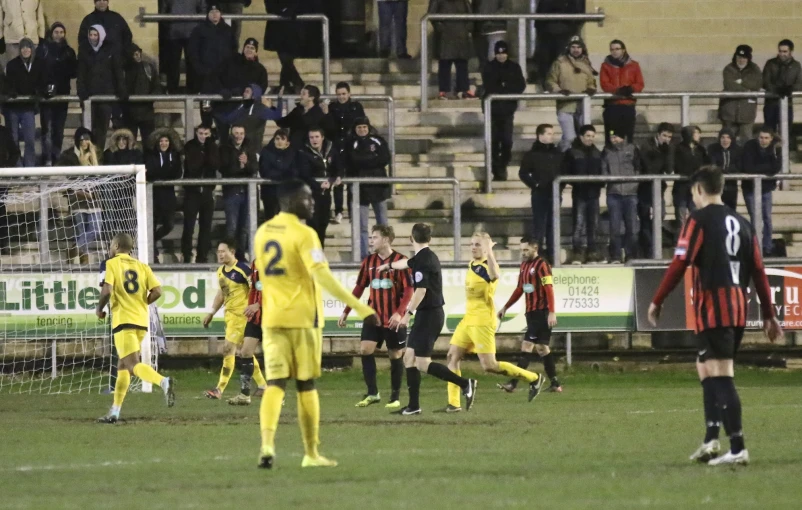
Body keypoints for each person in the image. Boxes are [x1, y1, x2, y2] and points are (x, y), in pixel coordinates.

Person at [648, 165, 782, 466]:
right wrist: (769, 315)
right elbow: (759, 271)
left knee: (721, 373)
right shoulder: (743, 223)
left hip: (713, 308)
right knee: (705, 367)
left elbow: (680, 262)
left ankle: (737, 447)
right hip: (736, 308)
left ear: (698, 190)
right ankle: (711, 440)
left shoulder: (698, 219)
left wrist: (657, 300)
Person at [254, 179, 379, 469]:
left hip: (272, 319)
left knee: (274, 384)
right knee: (305, 384)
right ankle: (311, 453)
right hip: (302, 319)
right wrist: (361, 307)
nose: (312, 202)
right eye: (306, 198)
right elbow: (322, 277)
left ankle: (267, 445)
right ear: (289, 201)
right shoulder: (304, 233)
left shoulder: (262, 232)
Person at [376, 223, 478, 416]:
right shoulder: (424, 257)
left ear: (410, 239)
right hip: (428, 314)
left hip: (429, 315)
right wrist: (388, 266)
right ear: (429, 239)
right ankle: (413, 406)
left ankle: (465, 383)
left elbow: (421, 291)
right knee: (409, 358)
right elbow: (405, 263)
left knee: (422, 363)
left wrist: (407, 314)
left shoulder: (423, 261)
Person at [446, 233, 544, 412]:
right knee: (452, 356)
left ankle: (533, 378)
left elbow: (495, 274)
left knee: (489, 365)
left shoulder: (487, 266)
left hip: (483, 321)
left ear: (485, 248)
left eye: (477, 245)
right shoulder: (472, 264)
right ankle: (454, 404)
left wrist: (490, 251)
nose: (473, 247)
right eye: (472, 244)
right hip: (468, 319)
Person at [96, 233, 176, 423]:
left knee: (131, 365)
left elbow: (107, 290)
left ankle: (163, 381)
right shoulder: (142, 266)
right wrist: (142, 303)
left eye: (110, 245)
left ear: (115, 246)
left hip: (123, 321)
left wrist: (99, 309)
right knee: (123, 366)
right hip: (141, 320)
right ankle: (115, 411)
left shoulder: (112, 264)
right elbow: (157, 291)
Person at [339, 225, 413, 409]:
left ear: (386, 239)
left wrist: (399, 312)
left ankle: (395, 396)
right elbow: (358, 288)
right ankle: (373, 393)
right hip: (373, 316)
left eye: (375, 237)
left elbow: (409, 290)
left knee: (395, 354)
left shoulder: (401, 261)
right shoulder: (369, 261)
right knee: (365, 350)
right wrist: (346, 310)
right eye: (371, 237)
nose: (371, 241)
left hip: (393, 318)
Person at [203, 239, 268, 399]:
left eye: (223, 251)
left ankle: (219, 389)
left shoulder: (243, 270)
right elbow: (221, 294)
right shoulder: (221, 271)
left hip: (243, 316)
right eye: (218, 252)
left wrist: (257, 305)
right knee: (246, 353)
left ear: (232, 252)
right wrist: (211, 312)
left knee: (228, 349)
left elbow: (257, 286)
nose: (220, 254)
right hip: (230, 317)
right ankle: (263, 385)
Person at [497, 236, 562, 393]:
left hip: (542, 312)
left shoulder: (542, 265)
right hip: (531, 312)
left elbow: (549, 289)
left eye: (526, 250)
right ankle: (555, 383)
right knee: (542, 348)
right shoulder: (524, 265)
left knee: (527, 345)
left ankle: (513, 383)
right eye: (521, 250)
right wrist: (506, 306)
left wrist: (552, 312)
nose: (523, 253)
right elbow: (521, 288)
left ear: (535, 248)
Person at [341, 117, 391, 259]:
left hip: (378, 188)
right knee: (362, 225)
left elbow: (384, 158)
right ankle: (364, 254)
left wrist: (365, 160)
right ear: (355, 129)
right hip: (360, 191)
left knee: (382, 223)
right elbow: (352, 161)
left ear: (368, 127)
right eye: (359, 128)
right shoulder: (351, 143)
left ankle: (384, 252)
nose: (362, 130)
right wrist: (371, 159)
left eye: (364, 127)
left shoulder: (378, 141)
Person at [77, 25, 127, 152]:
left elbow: (117, 71)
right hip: (90, 96)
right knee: (88, 130)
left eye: (95, 35)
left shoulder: (110, 49)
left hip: (106, 96)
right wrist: (81, 90)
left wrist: (121, 88)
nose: (93, 38)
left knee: (102, 130)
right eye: (91, 35)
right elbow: (81, 72)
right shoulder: (84, 50)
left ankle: (98, 157)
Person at [56, 127, 103, 264]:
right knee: (81, 230)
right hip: (77, 197)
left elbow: (102, 176)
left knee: (95, 229)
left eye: (87, 139)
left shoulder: (97, 154)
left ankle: (74, 250)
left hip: (94, 197)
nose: (84, 142)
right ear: (77, 141)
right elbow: (60, 177)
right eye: (81, 139)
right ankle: (82, 260)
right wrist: (73, 191)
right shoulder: (68, 156)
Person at [227, 259, 270, 405]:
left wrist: (258, 304)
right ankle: (244, 395)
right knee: (245, 352)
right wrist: (252, 305)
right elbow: (255, 287)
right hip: (256, 317)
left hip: (273, 316)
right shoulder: (257, 262)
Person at [482, 40, 526, 182]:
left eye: (503, 53)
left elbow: (520, 85)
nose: (501, 56)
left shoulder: (514, 67)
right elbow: (490, 85)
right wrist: (505, 86)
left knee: (506, 140)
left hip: (507, 110)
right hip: (493, 110)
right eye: (499, 53)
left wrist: (505, 87)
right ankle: (497, 169)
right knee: (494, 141)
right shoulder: (489, 67)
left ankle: (503, 163)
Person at [519, 124, 563, 263]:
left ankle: (552, 254)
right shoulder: (532, 154)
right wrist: (536, 184)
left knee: (553, 225)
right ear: (540, 135)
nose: (552, 136)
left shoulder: (557, 153)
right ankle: (539, 255)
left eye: (552, 133)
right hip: (540, 194)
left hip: (555, 194)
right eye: (549, 133)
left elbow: (564, 170)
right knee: (540, 225)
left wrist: (560, 186)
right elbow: (523, 173)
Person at [188, 4, 237, 128]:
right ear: (207, 14)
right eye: (212, 11)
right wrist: (200, 70)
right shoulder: (199, 30)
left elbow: (233, 51)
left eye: (217, 11)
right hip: (206, 79)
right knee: (206, 110)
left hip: (223, 79)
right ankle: (206, 135)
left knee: (223, 113)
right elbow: (193, 53)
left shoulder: (228, 30)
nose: (215, 14)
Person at [545, 36, 597, 152]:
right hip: (565, 105)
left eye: (579, 47)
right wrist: (559, 90)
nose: (576, 50)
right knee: (569, 138)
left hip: (582, 106)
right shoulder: (559, 62)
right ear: (568, 48)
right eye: (573, 47)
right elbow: (550, 81)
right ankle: (560, 156)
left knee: (583, 138)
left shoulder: (587, 63)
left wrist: (591, 89)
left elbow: (591, 82)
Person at [37, 22, 76, 166]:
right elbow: (39, 70)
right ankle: (47, 158)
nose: (59, 35)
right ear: (51, 34)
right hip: (46, 96)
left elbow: (73, 72)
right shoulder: (43, 49)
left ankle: (56, 158)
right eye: (56, 32)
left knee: (59, 130)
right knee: (47, 130)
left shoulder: (69, 52)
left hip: (62, 95)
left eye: (61, 32)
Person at [325, 82, 365, 221]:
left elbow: (360, 123)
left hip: (351, 146)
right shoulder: (332, 107)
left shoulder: (356, 107)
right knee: (338, 179)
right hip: (336, 146)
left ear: (349, 94)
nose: (341, 97)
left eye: (344, 94)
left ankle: (352, 210)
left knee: (352, 179)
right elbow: (329, 128)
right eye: (339, 94)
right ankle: (339, 211)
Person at [563, 125, 603, 264]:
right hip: (579, 194)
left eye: (592, 136)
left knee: (594, 224)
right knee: (578, 224)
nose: (590, 139)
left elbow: (601, 171)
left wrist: (599, 184)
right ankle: (577, 253)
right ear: (581, 136)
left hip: (594, 194)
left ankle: (592, 252)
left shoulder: (597, 153)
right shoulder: (572, 152)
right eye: (587, 136)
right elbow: (566, 171)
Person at [214, 38, 269, 136]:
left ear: (256, 52)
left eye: (252, 48)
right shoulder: (231, 63)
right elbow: (218, 77)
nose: (249, 49)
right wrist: (222, 90)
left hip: (246, 110)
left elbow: (262, 87)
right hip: (227, 106)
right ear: (243, 48)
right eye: (247, 47)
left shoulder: (260, 70)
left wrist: (251, 91)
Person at [182, 124, 220, 263]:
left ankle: (202, 256)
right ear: (196, 133)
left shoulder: (212, 147)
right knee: (189, 225)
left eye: (206, 134)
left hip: (208, 191)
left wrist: (209, 149)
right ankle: (186, 254)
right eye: (201, 133)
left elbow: (215, 164)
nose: (203, 136)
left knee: (206, 226)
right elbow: (193, 166)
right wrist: (205, 157)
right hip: (193, 191)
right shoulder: (190, 146)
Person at [602, 127, 640, 263]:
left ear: (623, 137)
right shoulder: (606, 151)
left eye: (616, 137)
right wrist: (609, 180)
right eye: (612, 137)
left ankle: (631, 255)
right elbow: (603, 169)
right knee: (614, 227)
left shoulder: (633, 149)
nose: (614, 140)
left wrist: (634, 184)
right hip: (614, 193)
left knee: (632, 227)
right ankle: (615, 255)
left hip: (631, 193)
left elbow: (638, 168)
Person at [742, 126, 781, 256]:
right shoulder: (749, 146)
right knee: (754, 218)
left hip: (766, 189)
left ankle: (767, 246)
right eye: (761, 137)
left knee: (767, 218)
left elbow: (776, 168)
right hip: (750, 189)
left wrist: (759, 169)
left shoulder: (776, 148)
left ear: (771, 139)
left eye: (766, 138)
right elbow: (747, 168)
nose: (763, 140)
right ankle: (755, 246)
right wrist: (766, 169)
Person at [219, 124, 257, 259]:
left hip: (247, 192)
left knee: (244, 227)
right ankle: (229, 254)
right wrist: (240, 166)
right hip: (231, 191)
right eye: (236, 133)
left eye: (241, 133)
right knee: (232, 227)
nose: (239, 136)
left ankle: (240, 255)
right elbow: (224, 169)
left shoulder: (249, 148)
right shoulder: (224, 149)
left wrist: (246, 163)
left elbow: (254, 169)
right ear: (231, 134)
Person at [4, 37, 43, 167]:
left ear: (32, 49)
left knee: (29, 139)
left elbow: (40, 82)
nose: (25, 50)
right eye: (23, 47)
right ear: (20, 50)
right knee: (13, 140)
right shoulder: (12, 65)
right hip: (13, 108)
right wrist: (12, 92)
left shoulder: (37, 64)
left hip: (28, 108)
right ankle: (17, 167)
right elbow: (8, 84)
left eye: (28, 47)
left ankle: (29, 167)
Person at [145, 129, 183, 262]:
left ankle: (153, 240)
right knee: (152, 223)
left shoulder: (175, 155)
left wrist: (162, 173)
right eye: (161, 141)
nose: (164, 143)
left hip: (168, 195)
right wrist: (165, 172)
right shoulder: (151, 155)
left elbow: (177, 173)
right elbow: (151, 172)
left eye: (166, 141)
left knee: (169, 224)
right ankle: (152, 253)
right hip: (154, 195)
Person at [638, 122, 674, 258]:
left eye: (669, 137)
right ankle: (647, 249)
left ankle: (654, 243)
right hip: (645, 187)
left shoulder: (668, 148)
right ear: (658, 134)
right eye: (664, 135)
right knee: (645, 217)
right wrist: (661, 154)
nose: (666, 139)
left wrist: (667, 152)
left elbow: (669, 169)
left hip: (659, 189)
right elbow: (649, 168)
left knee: (661, 214)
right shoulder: (647, 145)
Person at [299, 127, 340, 246]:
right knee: (313, 225)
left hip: (325, 194)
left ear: (322, 137)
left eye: (316, 137)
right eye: (311, 137)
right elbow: (304, 174)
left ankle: (319, 253)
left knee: (323, 224)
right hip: (310, 195)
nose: (314, 140)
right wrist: (318, 185)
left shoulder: (331, 150)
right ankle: (313, 255)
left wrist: (334, 179)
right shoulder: (303, 152)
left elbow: (338, 167)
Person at [600, 40, 644, 145]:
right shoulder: (605, 65)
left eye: (617, 49)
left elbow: (640, 83)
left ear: (623, 50)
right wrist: (618, 90)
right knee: (611, 135)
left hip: (628, 106)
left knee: (628, 136)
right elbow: (604, 84)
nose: (614, 51)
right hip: (612, 107)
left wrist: (631, 88)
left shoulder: (634, 65)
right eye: (612, 49)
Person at [428, 0, 474, 100]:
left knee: (462, 63)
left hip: (461, 35)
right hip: (445, 35)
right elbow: (431, 14)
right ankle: (444, 90)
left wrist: (468, 27)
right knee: (445, 63)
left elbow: (470, 14)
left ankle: (463, 89)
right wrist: (439, 27)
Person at [533, 0, 585, 88]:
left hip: (561, 32)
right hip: (550, 32)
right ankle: (550, 85)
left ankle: (552, 85)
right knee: (550, 61)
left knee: (559, 61)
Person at [259, 128, 306, 221]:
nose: (279, 141)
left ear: (287, 142)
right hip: (270, 194)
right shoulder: (266, 152)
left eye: (282, 139)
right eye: (277, 138)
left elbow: (295, 171)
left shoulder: (293, 153)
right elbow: (265, 171)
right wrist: (284, 175)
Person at [719, 45, 762, 143]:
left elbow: (756, 85)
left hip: (747, 113)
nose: (741, 60)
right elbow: (729, 86)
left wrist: (740, 82)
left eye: (744, 58)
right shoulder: (729, 68)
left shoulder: (755, 69)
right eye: (739, 57)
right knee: (727, 140)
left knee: (747, 141)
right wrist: (746, 88)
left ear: (748, 59)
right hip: (729, 113)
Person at [162, 0, 206, 93]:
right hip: (178, 32)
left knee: (187, 63)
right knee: (176, 63)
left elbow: (203, 10)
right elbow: (163, 13)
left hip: (183, 32)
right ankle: (179, 90)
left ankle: (181, 90)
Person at [219, 84, 281, 148]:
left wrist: (279, 99)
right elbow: (227, 119)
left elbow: (277, 115)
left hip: (253, 148)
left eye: (247, 91)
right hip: (236, 147)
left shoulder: (260, 109)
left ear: (254, 95)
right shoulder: (241, 106)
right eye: (244, 91)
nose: (244, 93)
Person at [762, 39, 802, 135]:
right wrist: (776, 89)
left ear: (790, 52)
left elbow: (799, 83)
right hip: (771, 104)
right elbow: (765, 81)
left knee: (785, 131)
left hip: (787, 103)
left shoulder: (796, 66)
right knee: (769, 131)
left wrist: (790, 89)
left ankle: (783, 150)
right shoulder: (770, 63)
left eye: (785, 51)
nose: (782, 54)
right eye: (780, 51)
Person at [264, 0, 304, 94]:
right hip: (277, 26)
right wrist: (282, 10)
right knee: (285, 59)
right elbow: (269, 5)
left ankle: (286, 85)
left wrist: (288, 10)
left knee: (287, 59)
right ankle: (295, 84)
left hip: (293, 26)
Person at [124, 43, 160, 144]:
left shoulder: (148, 68)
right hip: (130, 114)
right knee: (130, 144)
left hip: (146, 112)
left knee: (149, 143)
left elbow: (157, 86)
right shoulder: (125, 71)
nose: (138, 56)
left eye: (138, 53)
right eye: (134, 54)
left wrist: (150, 98)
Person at [673, 125, 709, 222]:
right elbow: (678, 166)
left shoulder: (701, 149)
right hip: (681, 188)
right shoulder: (679, 148)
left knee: (697, 218)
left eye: (698, 133)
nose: (698, 135)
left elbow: (705, 165)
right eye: (695, 133)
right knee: (681, 219)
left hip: (696, 188)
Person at [275, 84, 327, 148]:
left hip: (309, 153)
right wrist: (278, 102)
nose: (301, 96)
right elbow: (282, 123)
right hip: (294, 150)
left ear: (311, 98)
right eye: (301, 93)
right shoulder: (297, 111)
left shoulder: (318, 114)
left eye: (304, 94)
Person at [707, 128, 742, 211]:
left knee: (731, 210)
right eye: (723, 137)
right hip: (716, 185)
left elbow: (739, 166)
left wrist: (725, 170)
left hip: (731, 186)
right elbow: (713, 165)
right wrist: (725, 170)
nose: (725, 140)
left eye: (728, 137)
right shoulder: (713, 149)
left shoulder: (738, 150)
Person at [0, 0, 45, 65]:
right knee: (13, 68)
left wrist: (41, 36)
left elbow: (40, 17)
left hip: (32, 38)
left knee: (33, 68)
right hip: (12, 38)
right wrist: (0, 37)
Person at [0, 118, 21, 254]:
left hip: (1, 179)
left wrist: (7, 168)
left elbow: (15, 152)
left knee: (1, 212)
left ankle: (3, 244)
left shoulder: (4, 132)